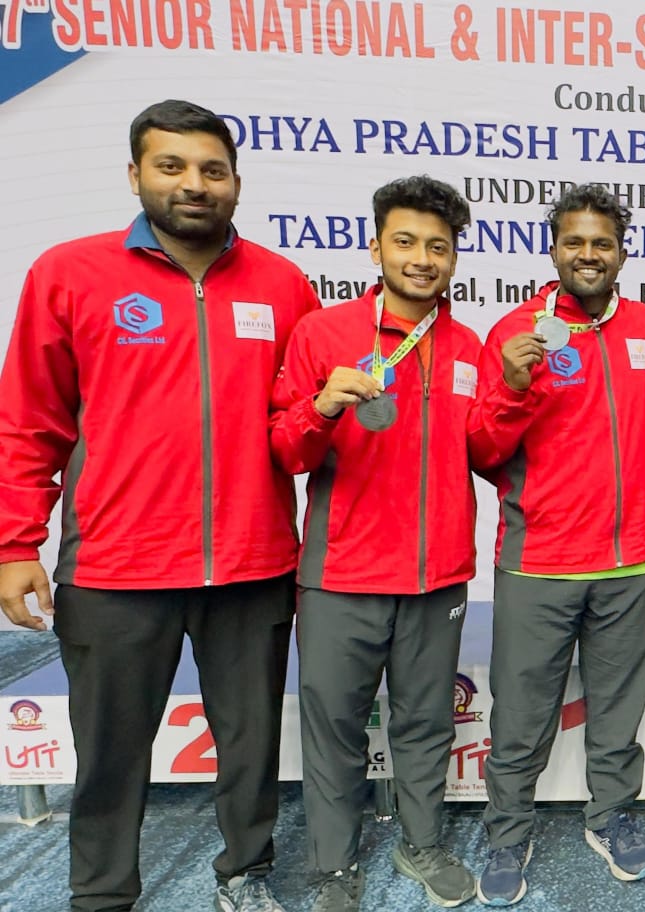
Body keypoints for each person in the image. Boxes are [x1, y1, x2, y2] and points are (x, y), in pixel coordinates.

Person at [0, 99, 320, 912]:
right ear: (135, 174)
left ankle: (245, 875)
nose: (193, 185)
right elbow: (29, 420)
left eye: (212, 170)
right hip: (115, 565)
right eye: (171, 166)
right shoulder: (69, 274)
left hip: (251, 561)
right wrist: (13, 543)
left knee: (250, 746)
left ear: (237, 184)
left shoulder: (284, 286)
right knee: (109, 750)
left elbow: (302, 423)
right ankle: (102, 893)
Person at [269, 176, 485, 912]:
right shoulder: (322, 335)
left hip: (436, 578)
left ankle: (421, 843)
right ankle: (333, 863)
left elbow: (489, 449)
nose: (421, 258)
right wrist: (320, 406)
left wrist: (518, 389)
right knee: (332, 726)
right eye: (406, 241)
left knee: (425, 722)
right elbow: (284, 450)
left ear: (453, 257)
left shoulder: (468, 347)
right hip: (341, 576)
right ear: (375, 247)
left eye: (437, 246)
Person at [470, 184, 645, 905]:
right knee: (521, 716)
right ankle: (506, 833)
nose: (588, 255)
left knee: (615, 716)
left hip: (631, 562)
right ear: (553, 248)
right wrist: (511, 386)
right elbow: (483, 451)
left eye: (602, 243)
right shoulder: (514, 332)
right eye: (575, 242)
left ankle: (612, 818)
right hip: (540, 562)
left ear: (623, 252)